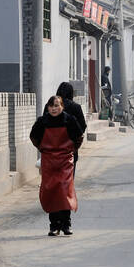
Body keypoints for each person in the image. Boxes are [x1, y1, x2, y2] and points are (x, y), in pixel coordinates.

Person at [30, 95, 84, 236]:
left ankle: (66, 224)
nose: (54, 109)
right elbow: (34, 137)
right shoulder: (42, 121)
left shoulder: (69, 120)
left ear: (62, 107)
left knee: (65, 191)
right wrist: (43, 149)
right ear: (47, 107)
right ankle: (54, 226)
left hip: (65, 161)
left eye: (57, 105)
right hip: (48, 161)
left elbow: (78, 136)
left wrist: (71, 150)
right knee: (51, 191)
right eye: (51, 106)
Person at [56, 82, 87, 169]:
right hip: (70, 146)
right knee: (68, 175)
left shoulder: (50, 106)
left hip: (52, 147)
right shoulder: (75, 107)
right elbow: (83, 126)